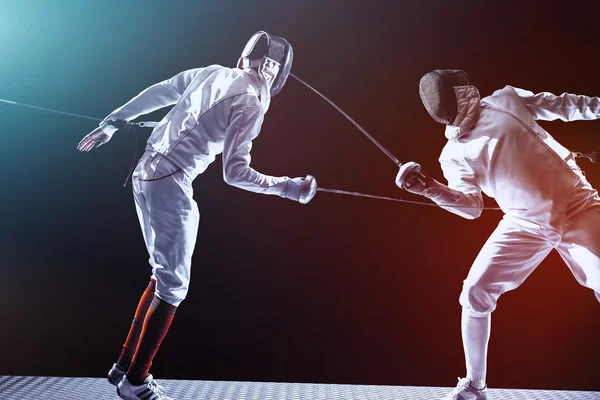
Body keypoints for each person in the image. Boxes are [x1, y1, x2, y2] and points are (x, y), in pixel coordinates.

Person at [77, 31, 317, 400]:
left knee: (164, 276)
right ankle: (136, 382)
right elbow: (235, 172)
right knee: (174, 285)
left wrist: (113, 121)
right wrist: (287, 187)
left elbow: (162, 91)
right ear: (272, 69)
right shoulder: (251, 102)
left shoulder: (213, 72)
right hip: (168, 182)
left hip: (144, 172)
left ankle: (123, 367)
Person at [399, 69, 600, 400]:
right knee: (475, 292)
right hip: (525, 223)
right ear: (456, 93)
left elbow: (562, 105)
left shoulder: (505, 99)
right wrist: (431, 189)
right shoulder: (452, 154)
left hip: (577, 205)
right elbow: (471, 207)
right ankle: (475, 386)